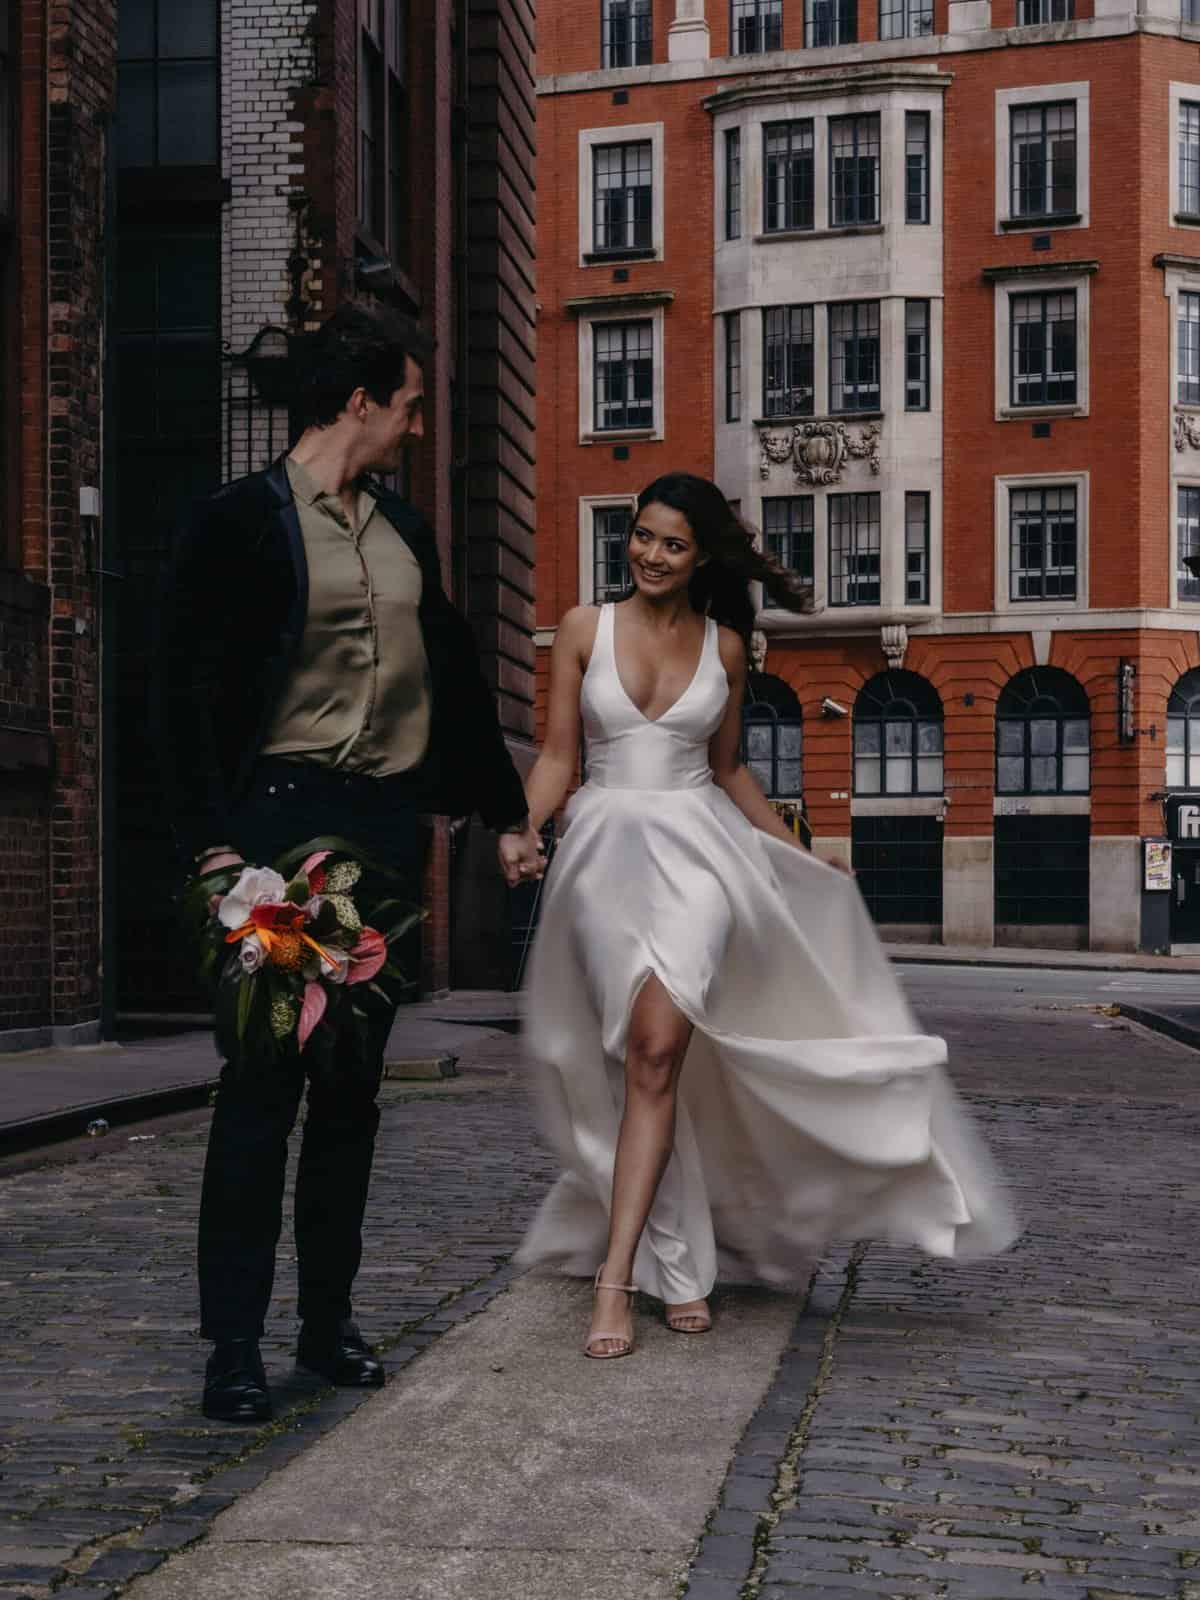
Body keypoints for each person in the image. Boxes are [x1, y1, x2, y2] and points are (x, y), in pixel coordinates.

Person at [507, 473, 1017, 1359]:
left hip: (700, 858)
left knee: (660, 1051)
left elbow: (732, 768)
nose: (651, 554)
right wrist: (521, 824)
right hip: (603, 860)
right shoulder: (585, 628)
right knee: (637, 1062)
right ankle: (680, 1262)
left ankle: (617, 1278)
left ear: (701, 554)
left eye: (672, 542)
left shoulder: (727, 648)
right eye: (642, 535)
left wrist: (794, 847)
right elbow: (559, 753)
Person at [156, 303, 544, 1419]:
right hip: (276, 839)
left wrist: (504, 810)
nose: (417, 426)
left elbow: (458, 681)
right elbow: (177, 693)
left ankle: (326, 1325)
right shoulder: (239, 523)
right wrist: (212, 845)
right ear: (360, 400)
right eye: (409, 404)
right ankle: (234, 1344)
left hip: (376, 840)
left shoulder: (405, 533)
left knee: (352, 1093)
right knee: (263, 1081)